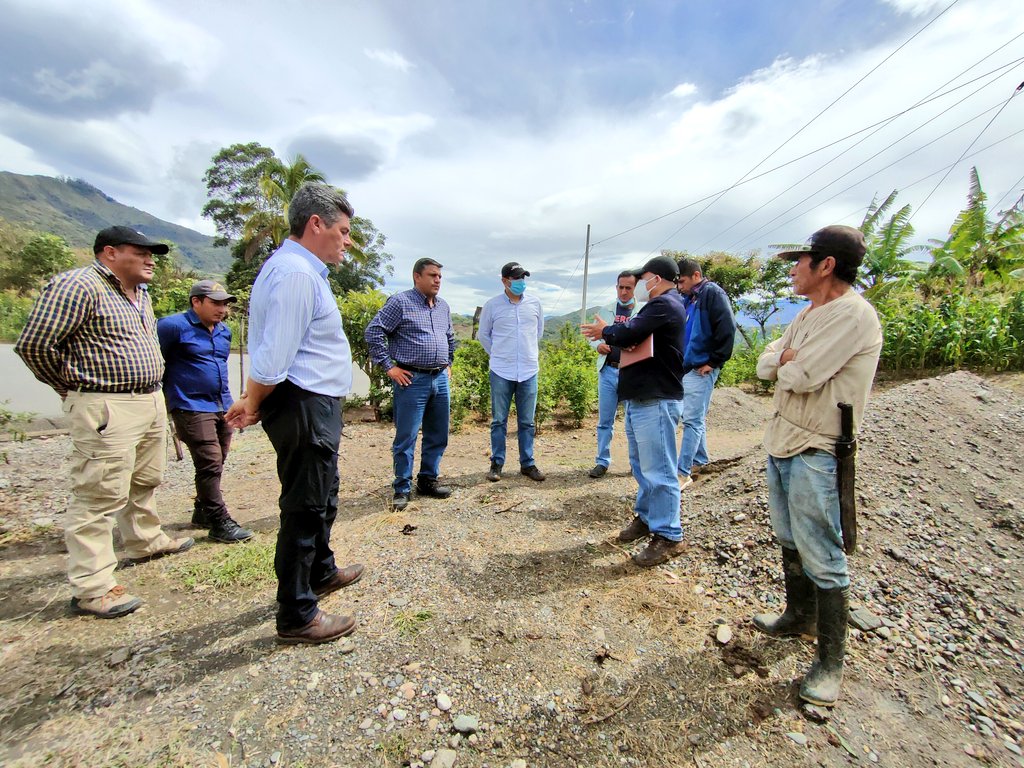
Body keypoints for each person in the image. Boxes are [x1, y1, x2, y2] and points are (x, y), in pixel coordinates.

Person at [15, 226, 194, 619]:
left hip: (147, 398)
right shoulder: (78, 286)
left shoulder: (140, 295)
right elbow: (34, 345)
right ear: (110, 253)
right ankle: (93, 586)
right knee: (99, 494)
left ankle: (144, 539)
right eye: (141, 252)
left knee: (144, 478)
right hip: (105, 403)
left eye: (153, 254)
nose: (151, 260)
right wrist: (74, 387)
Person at [225, 183, 364, 645]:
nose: (347, 241)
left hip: (311, 401)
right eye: (343, 231)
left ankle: (320, 571)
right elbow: (273, 356)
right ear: (315, 225)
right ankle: (297, 614)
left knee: (323, 493)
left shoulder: (296, 270)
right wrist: (253, 401)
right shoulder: (297, 275)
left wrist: (254, 400)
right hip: (303, 402)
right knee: (305, 506)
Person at [751, 225, 882, 707]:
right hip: (783, 437)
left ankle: (831, 664)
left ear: (826, 265)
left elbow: (800, 375)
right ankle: (797, 615)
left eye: (799, 261)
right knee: (788, 534)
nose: (792, 269)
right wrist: (784, 359)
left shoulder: (853, 316)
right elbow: (765, 365)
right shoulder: (808, 314)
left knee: (823, 551)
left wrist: (785, 362)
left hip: (820, 447)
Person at [581, 256, 688, 567]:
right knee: (643, 466)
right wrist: (616, 340)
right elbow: (634, 344)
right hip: (642, 398)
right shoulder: (659, 305)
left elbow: (628, 334)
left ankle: (669, 535)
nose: (640, 284)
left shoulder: (664, 304)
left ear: (655, 278)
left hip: (656, 398)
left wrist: (607, 330)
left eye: (643, 278)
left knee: (660, 470)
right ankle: (646, 518)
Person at [158, 280, 253, 543]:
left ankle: (202, 510)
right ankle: (219, 521)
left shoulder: (223, 332)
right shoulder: (172, 327)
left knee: (218, 459)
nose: (222, 309)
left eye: (225, 304)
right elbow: (155, 362)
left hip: (221, 404)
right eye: (216, 303)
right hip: (189, 404)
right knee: (209, 460)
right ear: (196, 302)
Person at [365, 258, 456, 511]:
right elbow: (373, 332)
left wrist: (448, 363)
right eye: (432, 275)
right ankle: (402, 488)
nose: (437, 280)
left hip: (439, 378)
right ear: (417, 277)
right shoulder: (400, 302)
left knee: (438, 434)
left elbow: (450, 337)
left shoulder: (443, 307)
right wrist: (389, 367)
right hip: (412, 380)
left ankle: (427, 480)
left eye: (439, 276)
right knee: (406, 436)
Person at [478, 262, 546, 482]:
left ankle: (528, 463)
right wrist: (499, 355)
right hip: (501, 371)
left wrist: (524, 354)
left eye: (522, 278)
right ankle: (497, 463)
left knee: (527, 422)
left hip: (528, 370)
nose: (520, 283)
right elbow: (484, 336)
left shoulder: (535, 303)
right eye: (516, 279)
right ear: (504, 281)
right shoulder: (492, 305)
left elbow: (538, 333)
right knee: (499, 420)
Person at [674, 259, 736, 489]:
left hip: (702, 366)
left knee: (691, 419)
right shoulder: (690, 298)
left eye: (682, 281)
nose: (679, 286)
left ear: (696, 276)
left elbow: (727, 327)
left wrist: (715, 360)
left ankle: (683, 472)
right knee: (692, 417)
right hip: (689, 366)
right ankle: (700, 461)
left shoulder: (712, 293)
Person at [588, 270, 639, 478]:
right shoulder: (606, 310)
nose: (624, 291)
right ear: (616, 287)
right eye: (621, 287)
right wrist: (598, 346)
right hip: (608, 370)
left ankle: (635, 464)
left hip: (631, 373)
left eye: (628, 287)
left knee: (633, 421)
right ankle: (602, 462)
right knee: (604, 421)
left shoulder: (642, 311)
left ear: (635, 288)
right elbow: (592, 337)